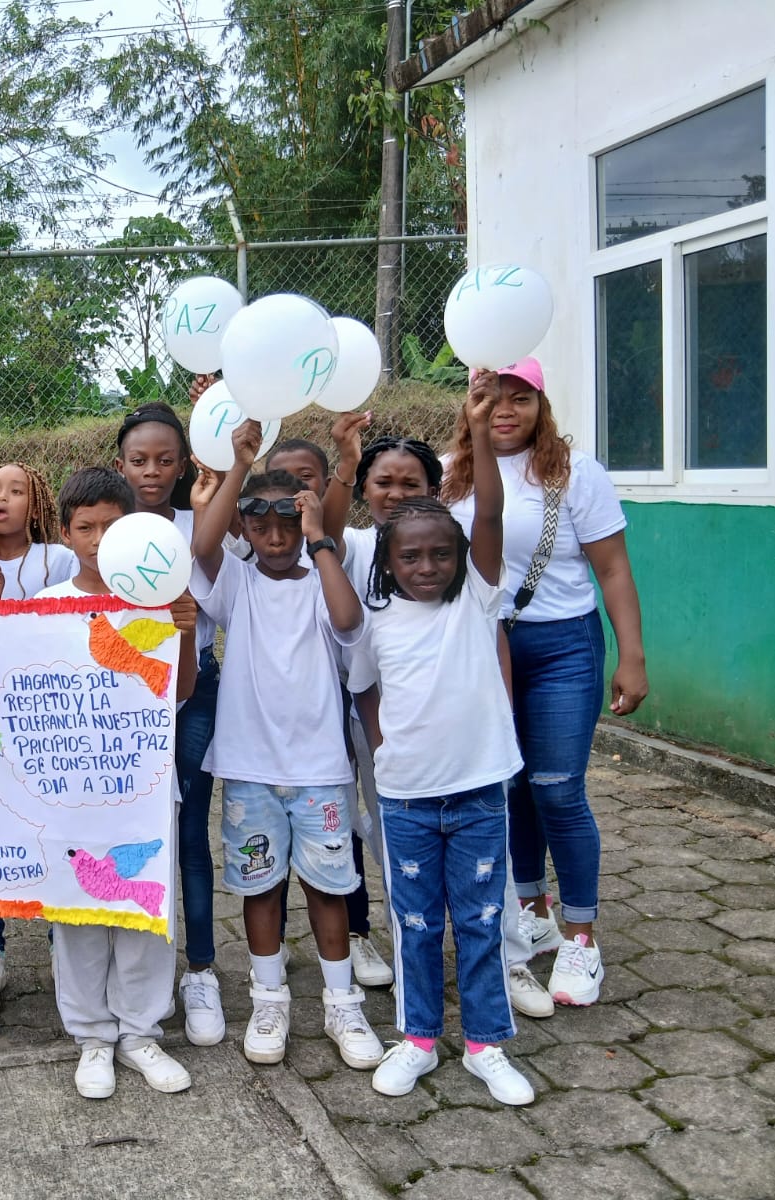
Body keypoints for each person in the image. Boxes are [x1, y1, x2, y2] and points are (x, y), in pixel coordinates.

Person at [349, 371, 536, 1105]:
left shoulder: (477, 599)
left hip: (479, 790)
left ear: (463, 558)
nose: (426, 567)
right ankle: (420, 1040)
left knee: (483, 921)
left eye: (440, 555)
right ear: (388, 563)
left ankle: (487, 1045)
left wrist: (479, 429)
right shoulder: (378, 620)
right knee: (417, 922)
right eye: (410, 557)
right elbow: (365, 688)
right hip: (404, 798)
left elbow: (488, 509)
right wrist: (383, 744)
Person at [324, 430, 554, 1021]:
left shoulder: (461, 562)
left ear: (436, 489)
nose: (397, 493)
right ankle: (418, 983)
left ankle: (509, 959)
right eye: (383, 482)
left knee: (488, 863)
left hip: (471, 745)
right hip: (398, 743)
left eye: (412, 483)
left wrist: (498, 714)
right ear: (364, 489)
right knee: (401, 858)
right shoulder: (358, 549)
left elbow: (491, 523)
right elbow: (324, 539)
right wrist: (381, 744)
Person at [442, 358, 649, 1006]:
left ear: (541, 404)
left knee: (556, 788)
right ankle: (534, 910)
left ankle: (582, 937)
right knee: (507, 785)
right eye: (492, 397)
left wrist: (632, 655)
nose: (506, 410)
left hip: (562, 644)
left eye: (521, 397)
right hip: (481, 646)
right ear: (471, 402)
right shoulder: (451, 474)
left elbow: (612, 569)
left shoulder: (574, 472)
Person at [191, 421, 384, 1073]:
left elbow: (349, 623)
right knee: (261, 886)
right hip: (250, 769)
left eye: (287, 524)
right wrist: (239, 467)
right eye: (259, 524)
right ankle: (268, 1000)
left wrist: (319, 535)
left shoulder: (323, 579)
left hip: (321, 769)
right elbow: (204, 544)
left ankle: (341, 1003)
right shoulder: (236, 585)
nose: (274, 537)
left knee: (328, 888)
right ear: (245, 527)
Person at [37, 467, 198, 1099]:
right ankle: (92, 1036)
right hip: (69, 794)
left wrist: (184, 632)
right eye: (86, 527)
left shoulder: (159, 601)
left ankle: (141, 1033)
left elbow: (180, 692)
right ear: (65, 532)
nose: (99, 539)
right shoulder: (44, 607)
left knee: (142, 907)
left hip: (143, 789)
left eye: (112, 525)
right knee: (77, 911)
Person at [109, 403, 225, 1046]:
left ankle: (200, 970)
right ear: (120, 464)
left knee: (188, 830)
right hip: (120, 693)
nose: (151, 471)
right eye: (139, 460)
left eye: (164, 460)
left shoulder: (197, 521)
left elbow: (210, 586)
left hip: (192, 688)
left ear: (183, 465)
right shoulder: (105, 529)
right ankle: (119, 969)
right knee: (123, 830)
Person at [264, 432, 393, 994]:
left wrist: (346, 463)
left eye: (307, 478)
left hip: (342, 693)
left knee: (342, 821)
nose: (295, 488)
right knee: (270, 838)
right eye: (283, 477)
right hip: (276, 721)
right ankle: (271, 952)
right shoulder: (255, 551)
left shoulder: (328, 548)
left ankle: (356, 934)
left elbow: (345, 613)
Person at [0, 459, 75, 1010]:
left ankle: (60, 939)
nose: (1, 498)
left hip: (45, 720)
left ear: (37, 503)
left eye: (16, 490)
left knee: (50, 826)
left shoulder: (57, 560)